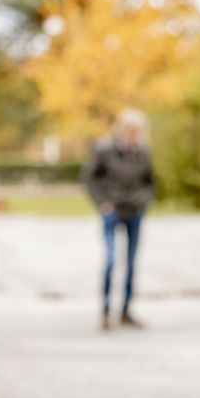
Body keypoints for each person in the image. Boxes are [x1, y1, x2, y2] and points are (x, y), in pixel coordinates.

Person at [82, 109, 156, 331]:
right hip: (112, 211)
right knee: (112, 260)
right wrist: (102, 202)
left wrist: (143, 201)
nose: (135, 135)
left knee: (131, 263)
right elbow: (90, 178)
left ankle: (125, 310)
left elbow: (150, 183)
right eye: (132, 131)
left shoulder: (143, 153)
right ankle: (105, 310)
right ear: (123, 130)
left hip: (135, 211)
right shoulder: (105, 151)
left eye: (138, 131)